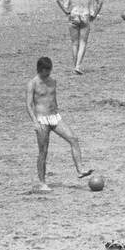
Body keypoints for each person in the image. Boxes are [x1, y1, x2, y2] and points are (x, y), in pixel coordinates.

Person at [25, 57, 92, 192]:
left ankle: (80, 169)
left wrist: (56, 112)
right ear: (40, 69)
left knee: (73, 138)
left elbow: (53, 99)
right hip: (41, 119)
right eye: (46, 71)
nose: (48, 73)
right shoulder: (32, 84)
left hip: (55, 117)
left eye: (49, 70)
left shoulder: (53, 81)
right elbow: (29, 104)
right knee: (43, 151)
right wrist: (35, 121)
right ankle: (42, 182)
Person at [56, 0, 101, 75]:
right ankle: (78, 66)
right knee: (83, 42)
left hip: (73, 15)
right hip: (85, 15)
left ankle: (75, 66)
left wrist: (65, 11)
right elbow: (100, 0)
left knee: (74, 43)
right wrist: (95, 14)